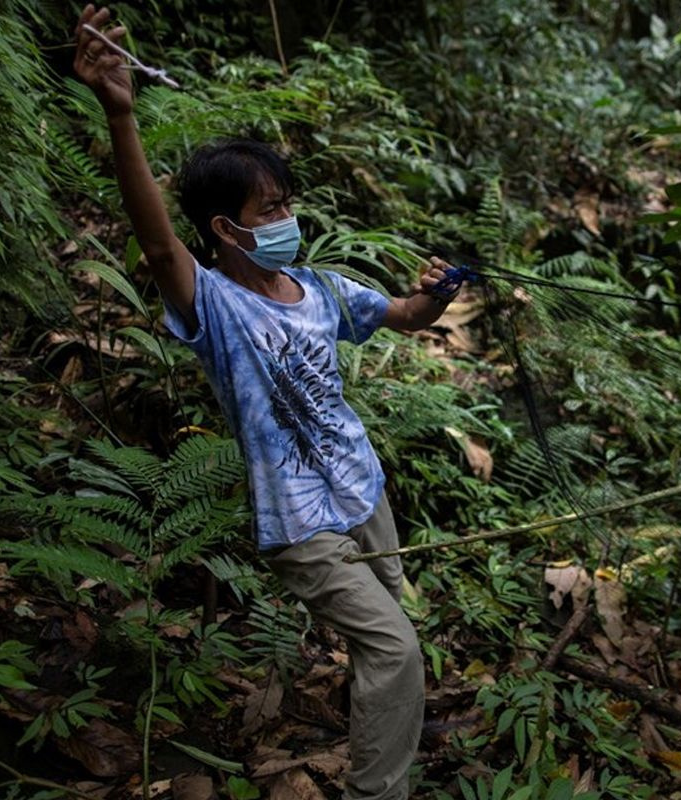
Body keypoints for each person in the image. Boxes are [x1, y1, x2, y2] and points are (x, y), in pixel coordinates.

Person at [74, 6, 457, 798]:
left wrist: (437, 295)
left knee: (384, 641)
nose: (288, 219)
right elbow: (154, 246)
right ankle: (377, 791)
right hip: (299, 520)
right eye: (270, 210)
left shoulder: (318, 288)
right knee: (395, 648)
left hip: (363, 491)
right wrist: (121, 115)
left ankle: (389, 726)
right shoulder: (213, 305)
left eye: (288, 202)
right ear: (225, 229)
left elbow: (405, 316)